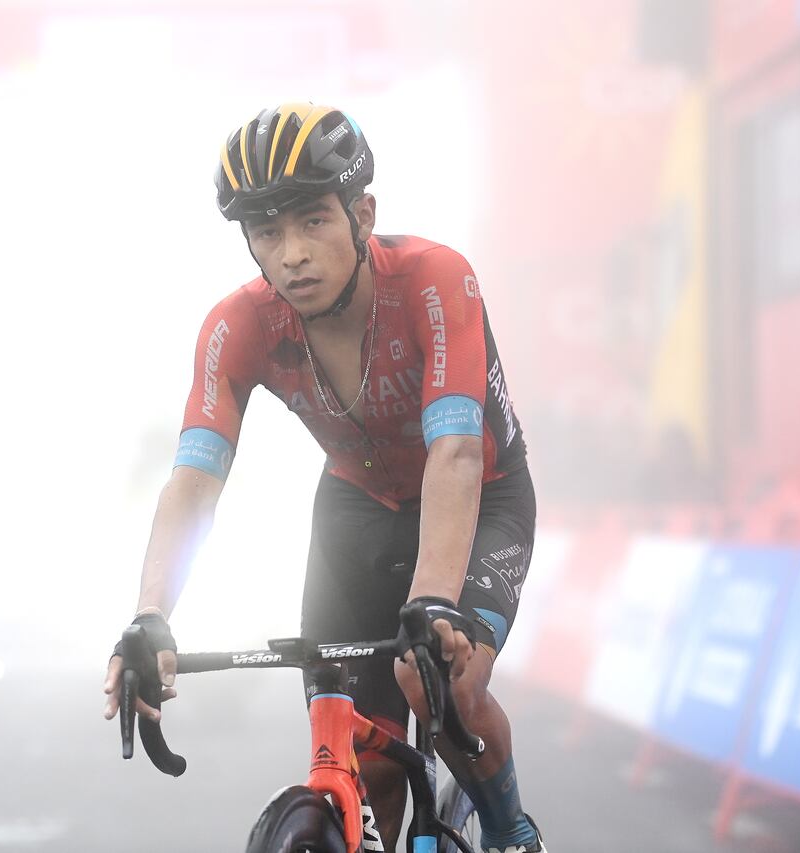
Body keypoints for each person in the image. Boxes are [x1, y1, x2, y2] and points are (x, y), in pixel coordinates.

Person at [102, 103, 547, 853]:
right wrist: (151, 612)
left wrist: (434, 601)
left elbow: (458, 454)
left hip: (480, 495)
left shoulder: (436, 281)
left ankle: (511, 829)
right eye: (266, 233)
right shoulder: (238, 325)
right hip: (357, 508)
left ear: (362, 213)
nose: (291, 254)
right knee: (361, 760)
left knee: (445, 688)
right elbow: (193, 478)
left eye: (312, 221)